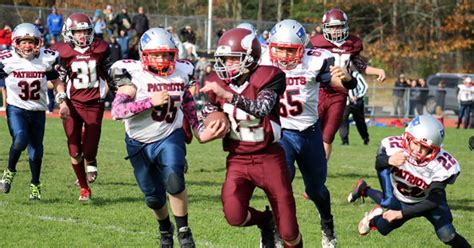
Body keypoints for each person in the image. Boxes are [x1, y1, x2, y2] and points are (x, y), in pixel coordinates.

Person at [110, 27, 223, 247]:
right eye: (156, 54)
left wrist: (199, 130)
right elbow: (117, 111)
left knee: (174, 178)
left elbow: (187, 100)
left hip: (170, 135)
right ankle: (165, 228)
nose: (162, 59)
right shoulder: (133, 75)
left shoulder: (181, 71)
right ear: (144, 55)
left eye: (166, 54)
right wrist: (148, 102)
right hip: (138, 142)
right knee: (153, 198)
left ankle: (184, 231)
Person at [200, 27, 303, 248]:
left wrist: (228, 96)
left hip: (269, 158)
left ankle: (281, 229)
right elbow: (206, 113)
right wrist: (210, 124)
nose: (226, 65)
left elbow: (262, 108)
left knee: (289, 232)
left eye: (232, 59)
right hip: (238, 159)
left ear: (250, 58)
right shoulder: (215, 81)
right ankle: (266, 221)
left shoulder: (269, 76)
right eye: (224, 59)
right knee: (234, 215)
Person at [261, 19, 357, 248]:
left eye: (290, 50)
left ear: (302, 48)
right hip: (280, 133)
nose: (284, 56)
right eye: (280, 49)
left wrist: (347, 78)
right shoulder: (263, 59)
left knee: (317, 190)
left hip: (309, 133)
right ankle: (273, 230)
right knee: (280, 184)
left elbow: (342, 84)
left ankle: (328, 227)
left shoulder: (314, 60)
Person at [347, 115, 471, 247]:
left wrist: (401, 214)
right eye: (415, 143)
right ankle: (371, 218)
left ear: (433, 149)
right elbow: (379, 164)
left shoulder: (442, 166)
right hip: (402, 199)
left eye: (424, 147)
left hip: (428, 201)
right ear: (407, 137)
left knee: (448, 235)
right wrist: (388, 160)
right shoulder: (392, 147)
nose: (417, 150)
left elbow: (434, 201)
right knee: (383, 228)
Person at [0, 23, 69, 200]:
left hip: (38, 110)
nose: (27, 46)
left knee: (36, 152)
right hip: (17, 108)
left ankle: (35, 184)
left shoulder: (47, 59)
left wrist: (62, 103)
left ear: (38, 43)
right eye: (23, 42)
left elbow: (58, 82)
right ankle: (9, 171)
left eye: (31, 42)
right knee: (20, 138)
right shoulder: (7, 59)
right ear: (16, 43)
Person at [51, 13, 113, 202]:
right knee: (74, 149)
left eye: (85, 31)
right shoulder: (61, 52)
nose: (82, 36)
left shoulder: (101, 48)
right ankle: (84, 188)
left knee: (89, 149)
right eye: (78, 32)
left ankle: (91, 161)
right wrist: (61, 101)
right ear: (68, 33)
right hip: (72, 104)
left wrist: (114, 96)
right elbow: (58, 80)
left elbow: (110, 75)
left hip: (94, 103)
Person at [311, 8, 386, 160]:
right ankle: (309, 163)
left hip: (340, 93)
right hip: (318, 91)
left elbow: (360, 65)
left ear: (345, 26)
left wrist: (377, 70)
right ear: (325, 28)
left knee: (328, 134)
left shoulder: (352, 43)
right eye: (332, 27)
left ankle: (321, 169)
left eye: (339, 26)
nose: (336, 30)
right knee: (312, 130)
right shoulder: (315, 44)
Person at [339, 70, 369, 146]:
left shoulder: (356, 74)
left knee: (359, 121)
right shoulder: (339, 74)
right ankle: (344, 140)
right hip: (346, 102)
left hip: (356, 102)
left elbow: (364, 86)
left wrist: (358, 96)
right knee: (343, 119)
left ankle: (365, 138)